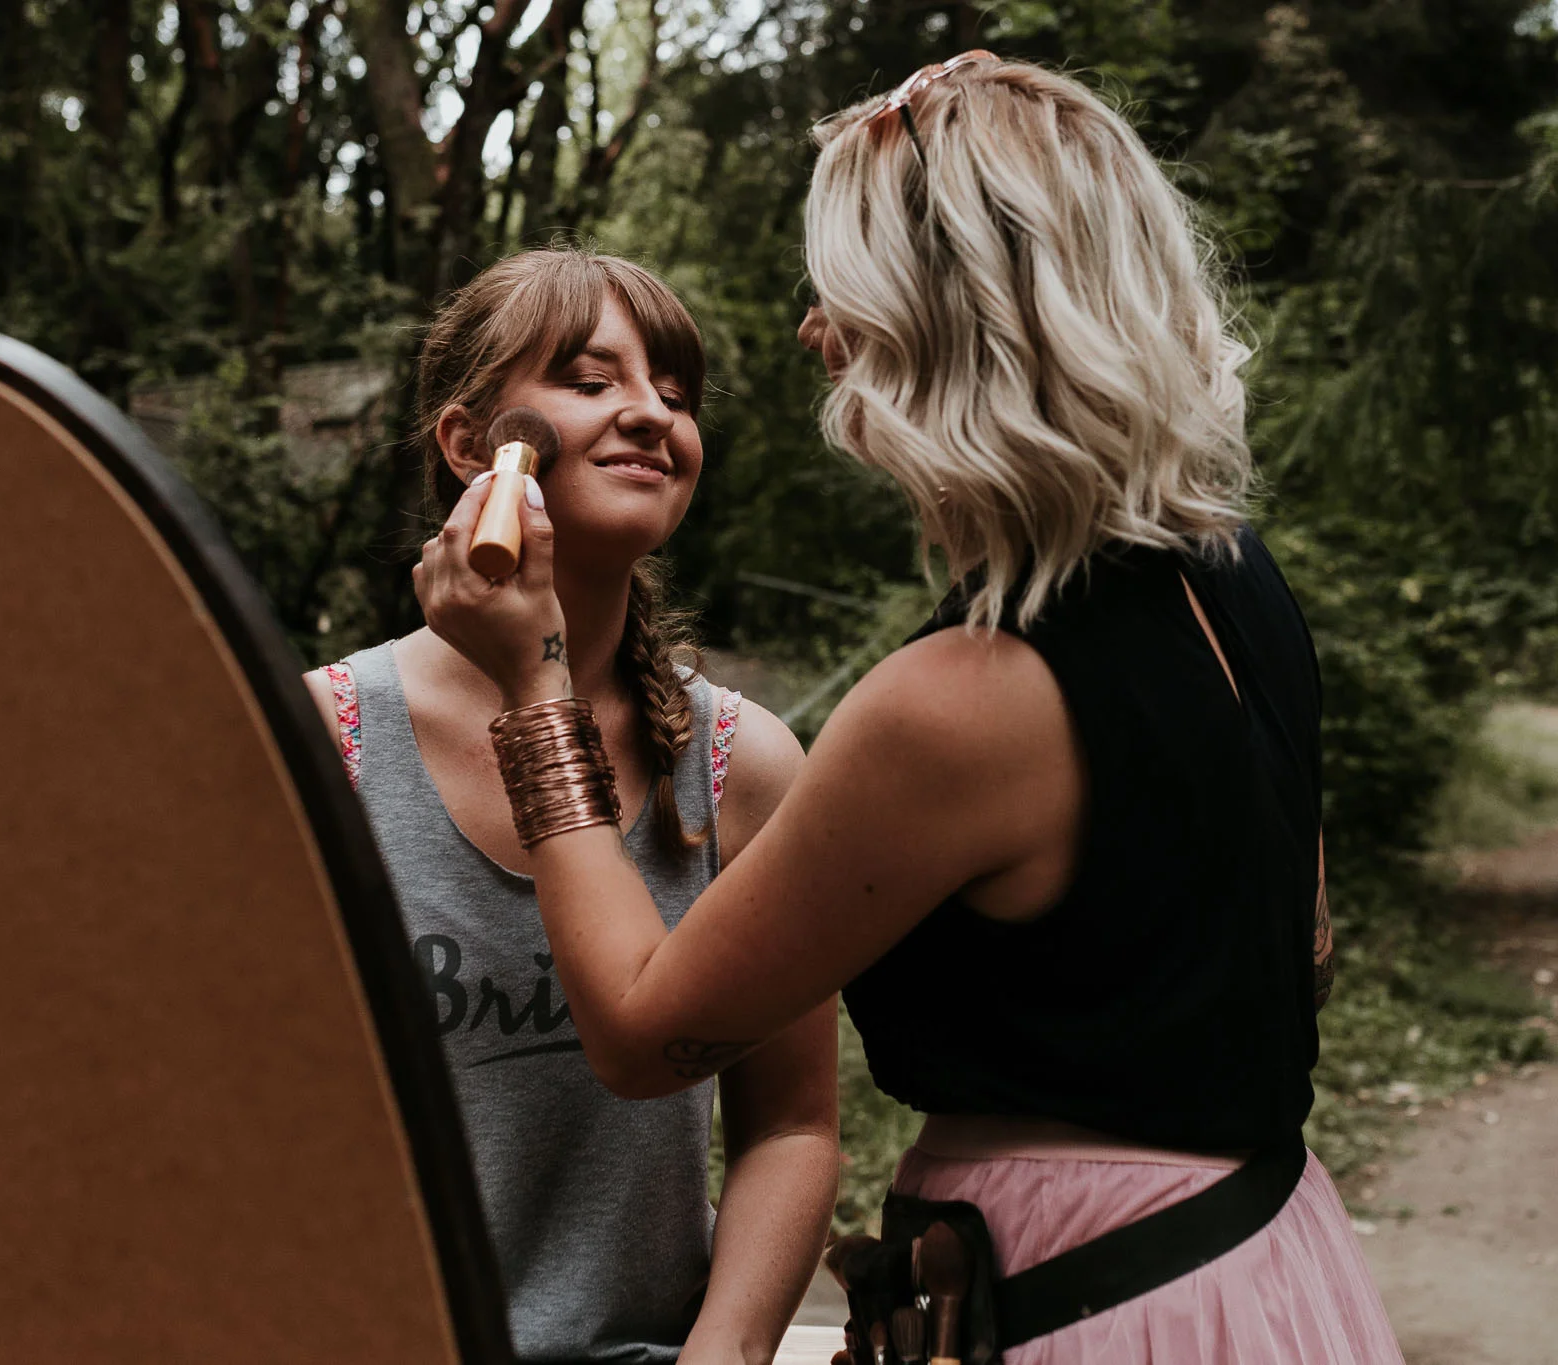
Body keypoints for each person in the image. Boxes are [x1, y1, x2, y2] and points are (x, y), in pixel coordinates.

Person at [412, 55, 1403, 1365]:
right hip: (1258, 1265)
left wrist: (534, 683)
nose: (820, 336)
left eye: (846, 299)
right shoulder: (1235, 583)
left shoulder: (958, 705)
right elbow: (1305, 945)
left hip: (1094, 1309)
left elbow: (647, 1033)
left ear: (936, 329)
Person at [303, 247, 839, 1365]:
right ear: (468, 446)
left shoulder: (742, 765)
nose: (649, 415)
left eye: (674, 395)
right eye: (591, 383)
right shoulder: (323, 743)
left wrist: (726, 1353)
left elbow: (788, 1125)